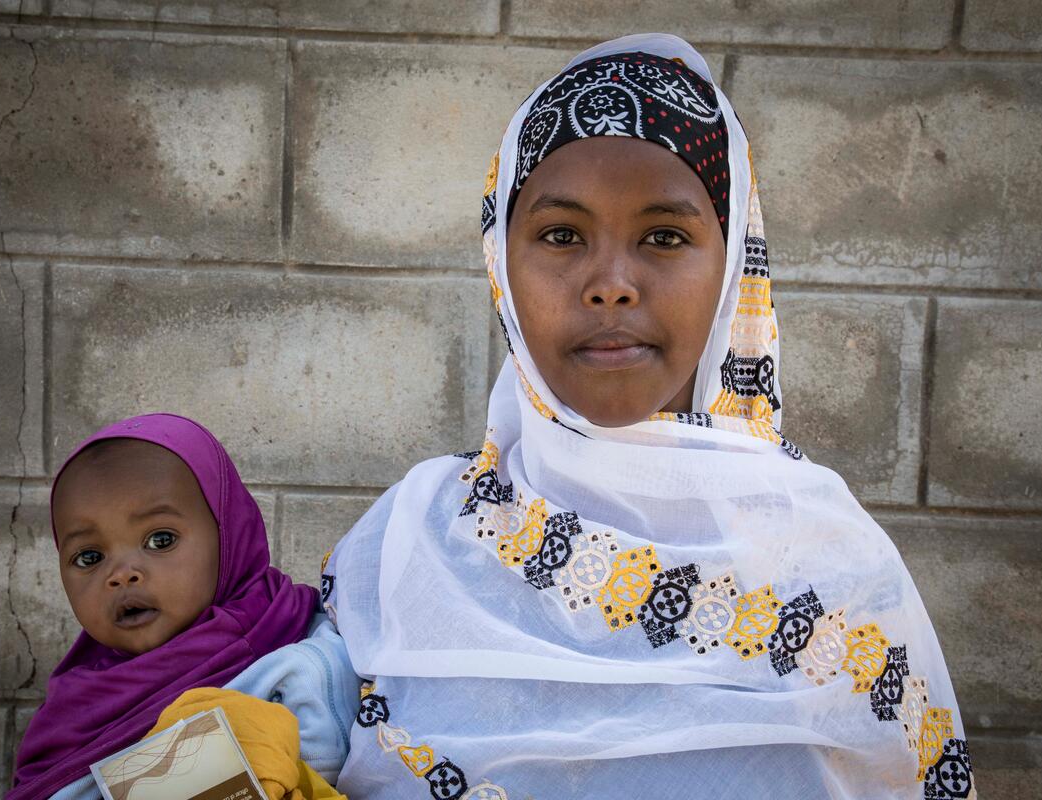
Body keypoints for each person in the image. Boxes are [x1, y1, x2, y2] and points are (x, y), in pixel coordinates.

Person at [322, 34, 974, 799]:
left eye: (665, 237)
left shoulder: (833, 572)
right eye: (561, 236)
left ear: (733, 270)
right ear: (502, 263)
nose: (610, 285)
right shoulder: (410, 545)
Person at [9, 413, 359, 800]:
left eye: (160, 540)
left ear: (228, 536)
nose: (122, 574)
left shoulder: (301, 656)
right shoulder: (75, 700)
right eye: (89, 557)